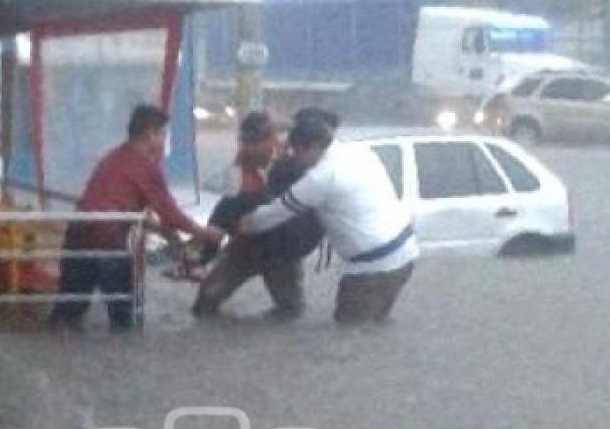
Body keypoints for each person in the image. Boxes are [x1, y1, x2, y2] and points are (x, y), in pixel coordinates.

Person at [49, 104, 223, 331]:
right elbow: (171, 216)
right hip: (109, 243)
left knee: (66, 314)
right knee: (123, 321)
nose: (163, 140)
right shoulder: (145, 167)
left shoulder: (114, 158)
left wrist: (169, 238)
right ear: (149, 134)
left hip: (79, 236)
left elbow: (121, 208)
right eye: (162, 134)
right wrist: (206, 233)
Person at [239, 112, 417, 324]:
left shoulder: (321, 178)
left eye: (298, 151)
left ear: (313, 147)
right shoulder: (358, 151)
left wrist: (243, 224)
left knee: (349, 335)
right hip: (405, 255)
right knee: (374, 328)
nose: (294, 157)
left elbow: (273, 214)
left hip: (371, 269)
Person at [192, 109, 324, 320]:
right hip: (247, 244)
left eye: (255, 142)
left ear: (272, 138)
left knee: (291, 312)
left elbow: (310, 207)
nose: (248, 148)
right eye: (244, 142)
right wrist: (203, 258)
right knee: (204, 304)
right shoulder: (237, 170)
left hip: (283, 250)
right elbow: (223, 213)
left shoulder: (297, 161)